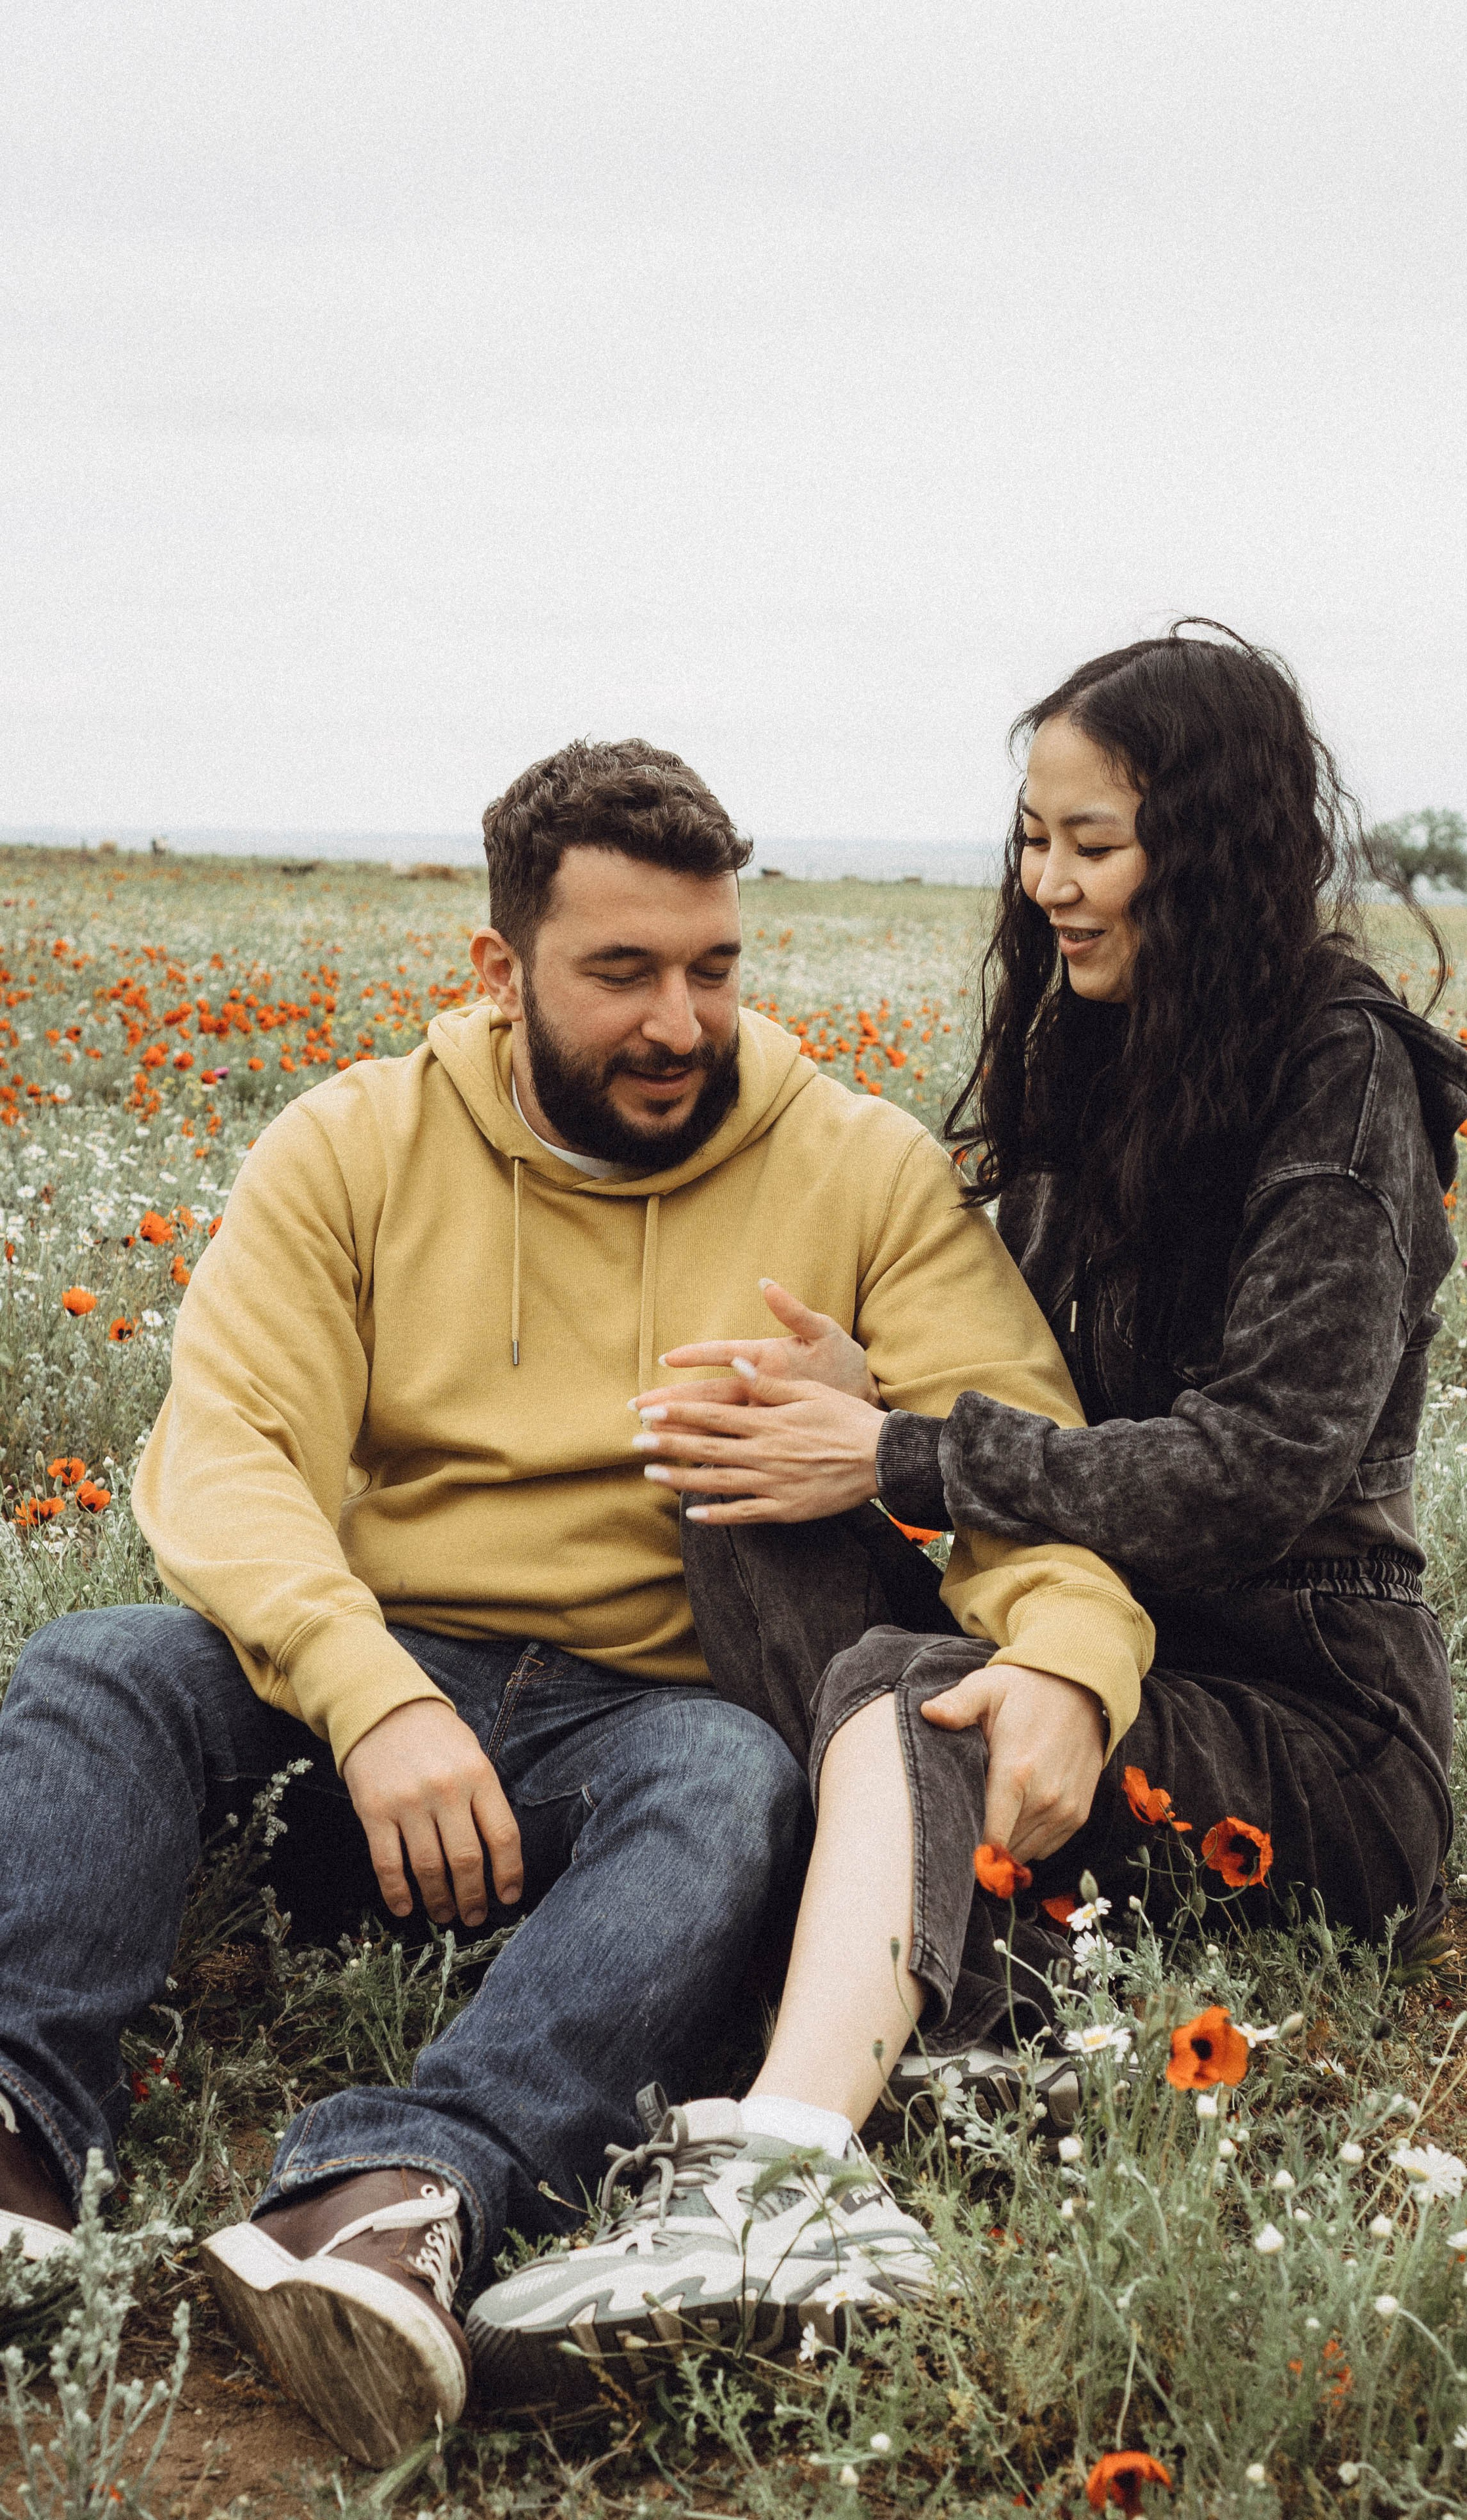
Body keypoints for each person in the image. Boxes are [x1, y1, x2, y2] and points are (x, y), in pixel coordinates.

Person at [0, 740, 1149, 2466]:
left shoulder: (857, 1170)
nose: (680, 1021)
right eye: (620, 973)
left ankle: (387, 2193)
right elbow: (225, 1452)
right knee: (100, 1672)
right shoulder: (357, 1144)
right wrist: (368, 1690)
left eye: (713, 968)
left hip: (634, 1735)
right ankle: (19, 2145)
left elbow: (1021, 1466)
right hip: (370, 1715)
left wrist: (1067, 1656)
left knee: (731, 1780)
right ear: (498, 970)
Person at [463, 627, 1467, 2397]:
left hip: (1304, 1722)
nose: (1051, 886)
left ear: (1221, 844)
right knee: (748, 1480)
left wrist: (911, 1458)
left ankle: (786, 2182)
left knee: (907, 1698)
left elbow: (1259, 1471)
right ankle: (928, 1985)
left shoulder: (1345, 1074)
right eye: (1035, 839)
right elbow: (1039, 1411)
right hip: (1095, 1650)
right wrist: (861, 1412)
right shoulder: (1103, 1053)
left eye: (1094, 844)